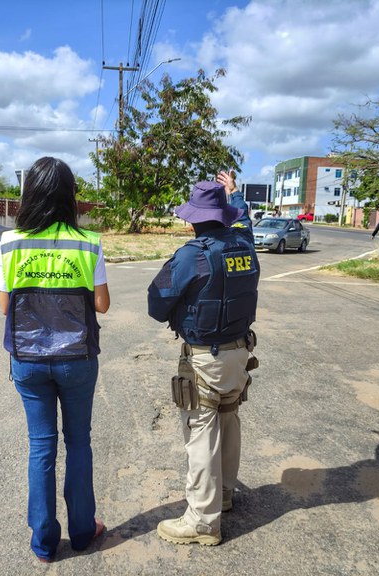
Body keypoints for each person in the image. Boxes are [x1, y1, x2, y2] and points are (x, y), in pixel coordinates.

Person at [0, 157, 110, 563]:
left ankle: (43, 542)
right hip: (77, 358)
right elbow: (102, 305)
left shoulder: (10, 243)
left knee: (40, 447)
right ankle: (82, 531)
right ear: (70, 196)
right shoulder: (88, 242)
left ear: (29, 193)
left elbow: (6, 307)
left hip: (28, 358)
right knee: (79, 443)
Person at [147, 170, 260, 546]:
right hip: (240, 352)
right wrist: (235, 194)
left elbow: (156, 304)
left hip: (205, 357)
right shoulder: (244, 244)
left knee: (201, 432)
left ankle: (202, 521)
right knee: (229, 419)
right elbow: (243, 221)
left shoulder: (191, 257)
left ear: (191, 219)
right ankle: (224, 495)